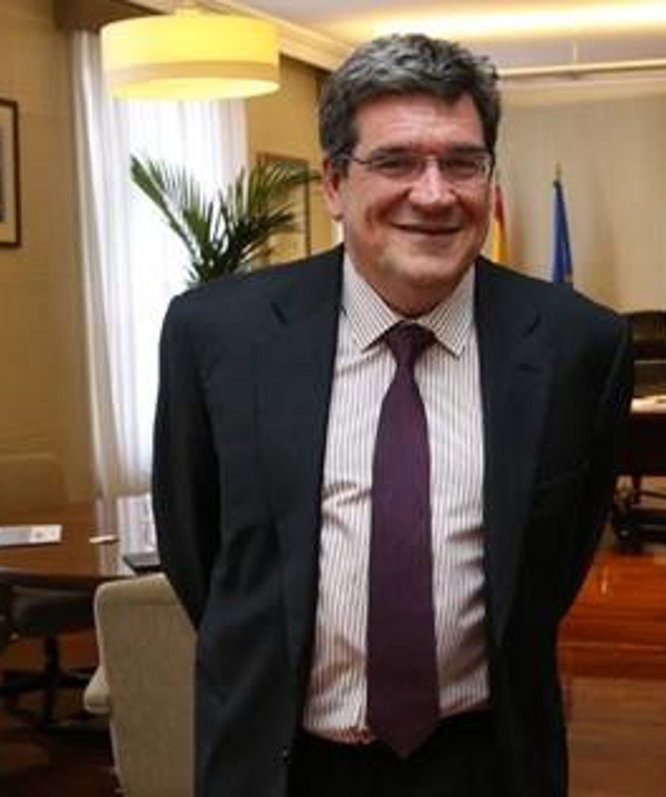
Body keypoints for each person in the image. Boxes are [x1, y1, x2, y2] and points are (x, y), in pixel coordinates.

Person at [153, 34, 632, 797]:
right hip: (282, 764)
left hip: (488, 763)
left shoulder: (580, 346)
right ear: (334, 183)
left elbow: (557, 562)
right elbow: (199, 552)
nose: (434, 194)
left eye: (462, 163)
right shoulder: (217, 335)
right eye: (397, 161)